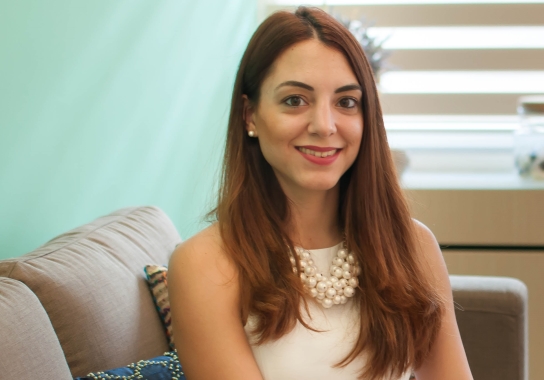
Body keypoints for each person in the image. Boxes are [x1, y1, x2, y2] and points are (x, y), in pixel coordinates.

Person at [167, 7, 474, 380]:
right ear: (250, 116)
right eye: (295, 100)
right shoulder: (203, 264)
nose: (324, 126)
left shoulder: (414, 245)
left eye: (346, 102)